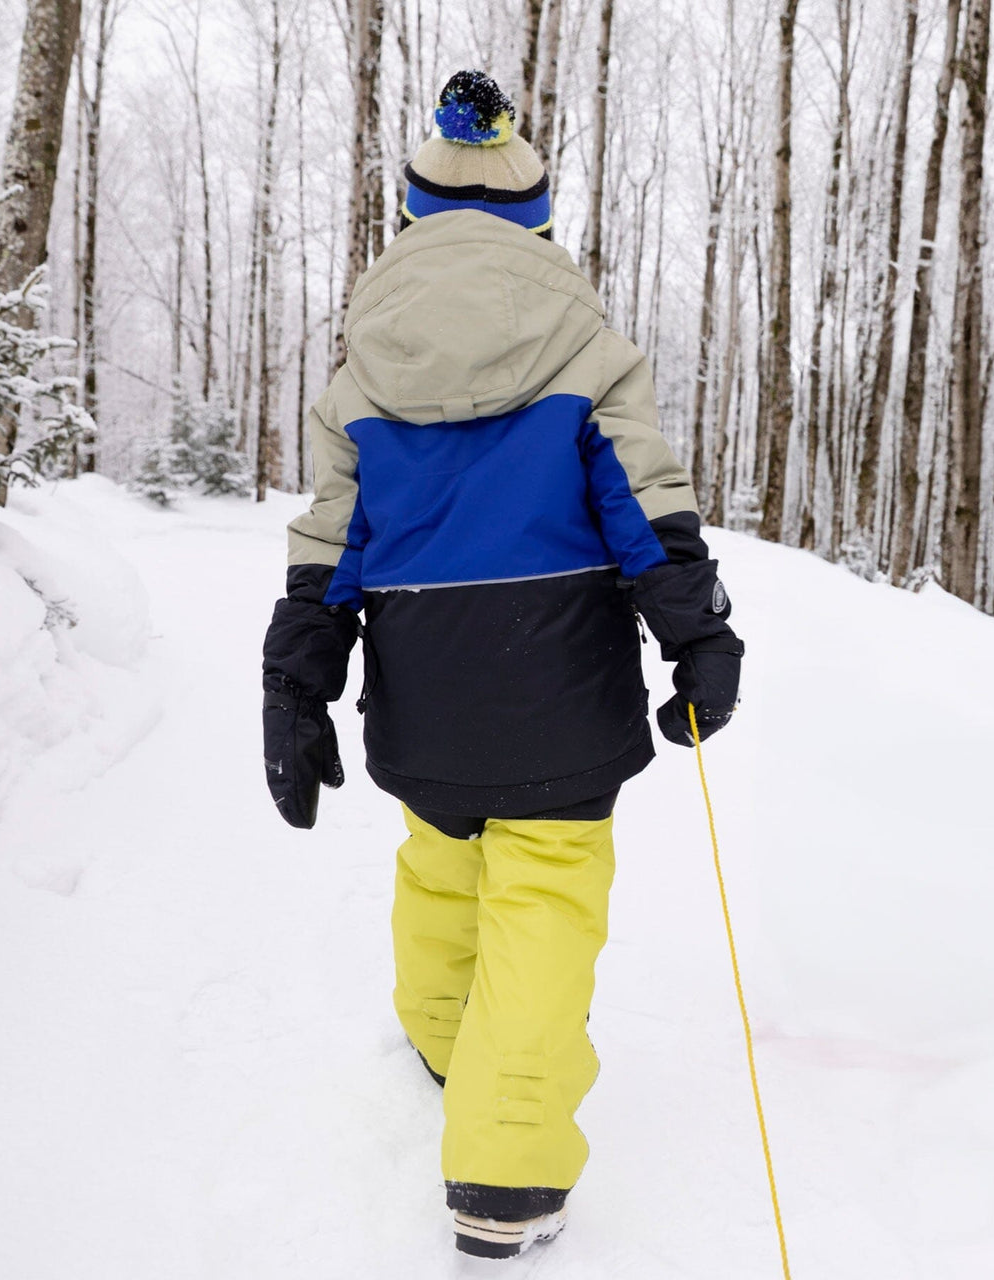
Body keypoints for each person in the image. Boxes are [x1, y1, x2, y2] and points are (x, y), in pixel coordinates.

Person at [261, 69, 743, 1260]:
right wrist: (697, 634)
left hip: (422, 686)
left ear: (413, 215)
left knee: (441, 862)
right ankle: (507, 1174)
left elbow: (333, 536)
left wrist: (296, 679)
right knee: (543, 904)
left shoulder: (363, 368)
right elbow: (642, 503)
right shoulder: (586, 347)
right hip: (559, 683)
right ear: (537, 220)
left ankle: (444, 1044)